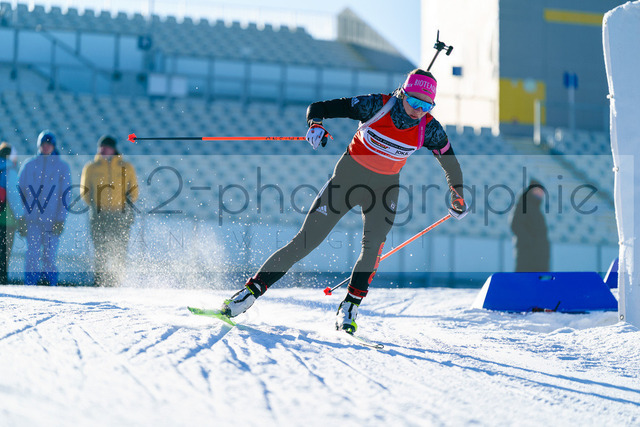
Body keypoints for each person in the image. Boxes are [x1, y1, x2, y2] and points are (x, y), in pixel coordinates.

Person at [220, 68, 468, 332]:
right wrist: (316, 125)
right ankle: (249, 293)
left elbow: (450, 162)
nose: (419, 110)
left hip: (384, 190)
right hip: (347, 181)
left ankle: (350, 306)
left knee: (372, 248)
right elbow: (319, 107)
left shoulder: (429, 128)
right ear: (402, 93)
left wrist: (458, 193)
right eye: (415, 101)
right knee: (305, 242)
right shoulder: (376, 105)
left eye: (427, 105)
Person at [80, 135, 138, 287]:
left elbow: (134, 191)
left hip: (120, 215)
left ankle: (118, 282)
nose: (103, 150)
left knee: (120, 250)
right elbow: (85, 191)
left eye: (106, 147)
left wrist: (125, 207)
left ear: (113, 149)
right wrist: (97, 206)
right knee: (100, 250)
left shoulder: (126, 167)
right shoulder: (91, 167)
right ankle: (100, 281)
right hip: (99, 215)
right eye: (101, 147)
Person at [17, 130, 71, 286]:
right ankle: (30, 285)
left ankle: (50, 285)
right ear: (39, 145)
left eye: (49, 144)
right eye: (43, 144)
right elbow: (19, 191)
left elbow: (65, 195)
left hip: (51, 220)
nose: (46, 147)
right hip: (32, 219)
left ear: (54, 146)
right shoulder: (29, 165)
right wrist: (21, 216)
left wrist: (61, 219)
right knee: (32, 255)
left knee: (50, 255)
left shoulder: (62, 167)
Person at [510, 178, 550, 272]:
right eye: (538, 190)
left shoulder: (536, 209)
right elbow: (515, 224)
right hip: (527, 255)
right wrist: (529, 242)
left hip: (540, 256)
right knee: (524, 279)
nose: (540, 194)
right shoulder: (523, 205)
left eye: (542, 192)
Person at [0, 143, 23, 284]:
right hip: (6, 219)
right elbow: (14, 196)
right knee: (3, 253)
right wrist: (21, 217)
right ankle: (2, 280)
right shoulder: (10, 170)